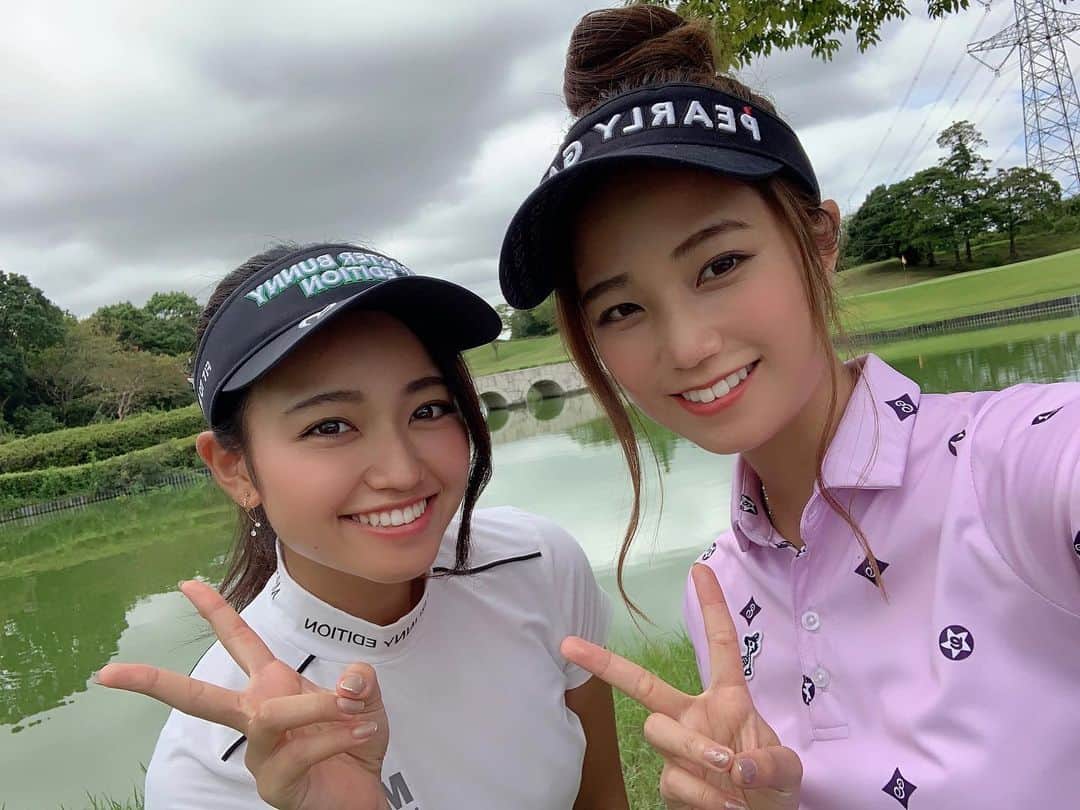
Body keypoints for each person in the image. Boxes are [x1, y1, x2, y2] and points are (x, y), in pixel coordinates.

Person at [498, 7, 1080, 810]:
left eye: (720, 264)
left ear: (820, 240)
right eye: (622, 310)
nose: (688, 346)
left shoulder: (1020, 466)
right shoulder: (718, 591)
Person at [96, 242, 628, 809]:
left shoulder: (537, 565)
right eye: (330, 426)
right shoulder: (211, 767)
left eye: (428, 409)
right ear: (236, 469)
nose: (402, 472)